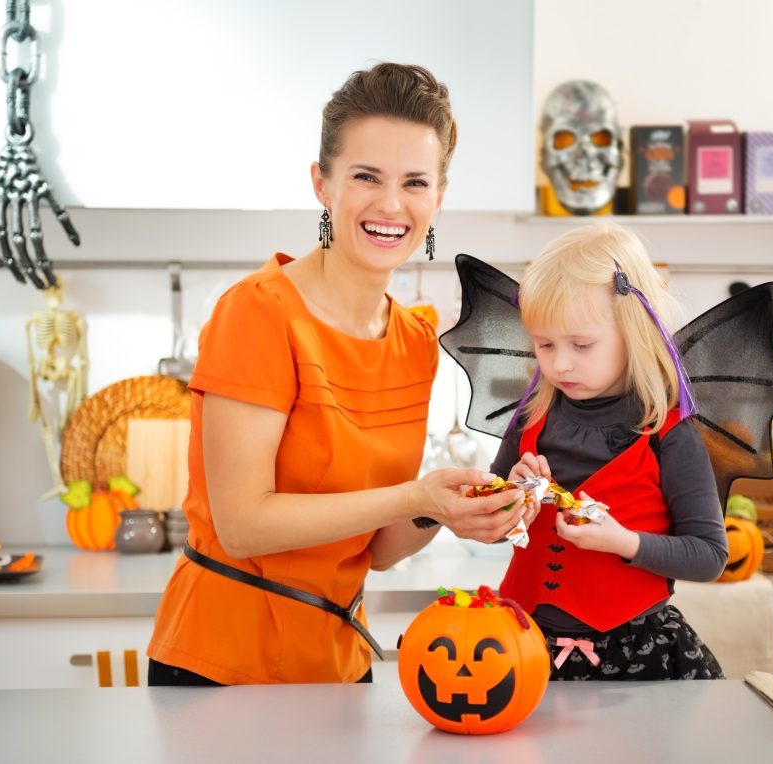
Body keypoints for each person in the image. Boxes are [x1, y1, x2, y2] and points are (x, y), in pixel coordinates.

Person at [146, 63, 531, 686]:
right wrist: (415, 496)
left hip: (338, 664)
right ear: (322, 184)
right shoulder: (259, 312)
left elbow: (377, 551)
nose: (391, 204)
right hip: (220, 666)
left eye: (415, 182)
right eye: (366, 177)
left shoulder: (414, 341)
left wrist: (443, 509)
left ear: (438, 196)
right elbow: (243, 527)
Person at [492, 222, 729, 680]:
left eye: (581, 345)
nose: (559, 363)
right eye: (544, 344)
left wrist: (622, 542)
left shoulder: (668, 433)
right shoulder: (528, 421)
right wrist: (510, 501)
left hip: (637, 653)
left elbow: (710, 555)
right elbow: (493, 527)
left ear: (634, 332)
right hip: (526, 647)